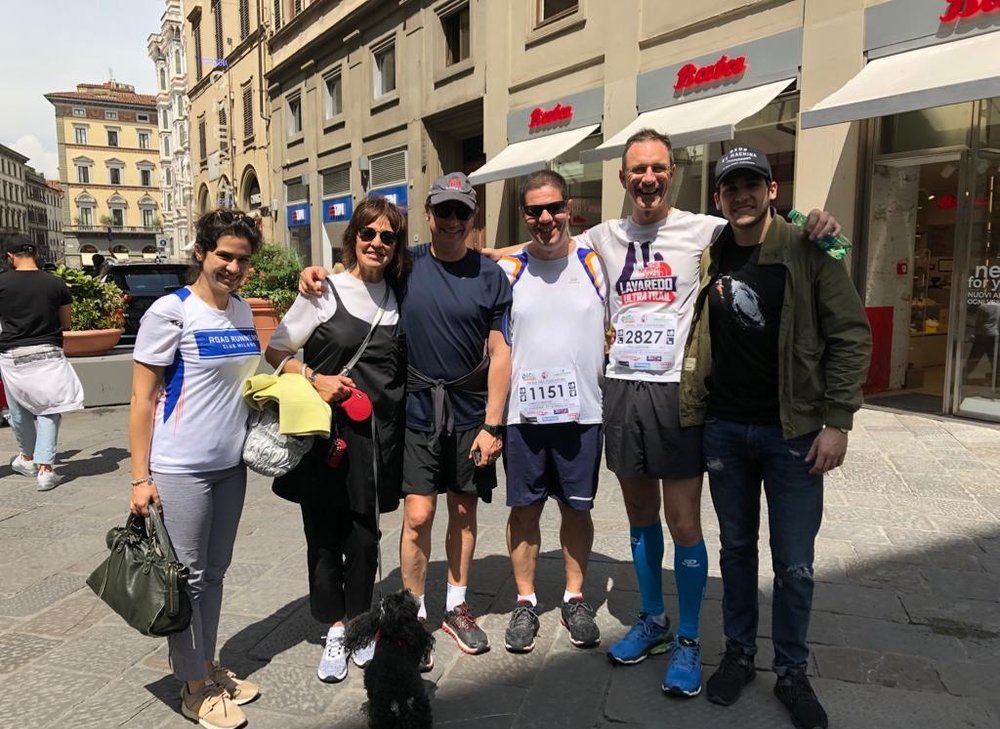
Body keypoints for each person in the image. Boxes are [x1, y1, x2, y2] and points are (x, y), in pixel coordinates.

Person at [486, 129, 840, 697]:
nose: (647, 179)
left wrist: (815, 219)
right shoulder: (600, 236)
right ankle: (653, 620)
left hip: (679, 394)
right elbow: (520, 252)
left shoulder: (706, 227)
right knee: (639, 517)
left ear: (671, 172)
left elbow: (764, 224)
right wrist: (448, 254)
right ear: (623, 179)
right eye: (636, 170)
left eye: (656, 168)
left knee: (683, 523)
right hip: (621, 393)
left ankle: (691, 639)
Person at [679, 147, 871, 729]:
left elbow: (852, 336)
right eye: (730, 186)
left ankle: (791, 671)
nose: (741, 194)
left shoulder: (810, 248)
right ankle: (739, 654)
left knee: (795, 564)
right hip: (726, 431)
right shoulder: (709, 255)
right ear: (718, 197)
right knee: (736, 551)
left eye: (751, 184)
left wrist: (837, 420)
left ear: (770, 189)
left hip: (794, 435)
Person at [299, 174, 512, 661]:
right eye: (445, 211)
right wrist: (317, 274)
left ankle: (456, 606)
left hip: (470, 412)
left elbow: (500, 352)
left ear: (472, 217)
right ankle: (413, 613)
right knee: (418, 516)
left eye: (463, 212)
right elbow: (359, 271)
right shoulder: (406, 262)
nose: (453, 220)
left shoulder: (489, 274)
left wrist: (493, 424)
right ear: (430, 215)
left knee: (463, 509)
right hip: (415, 409)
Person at [128, 209, 263, 729]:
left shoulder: (244, 312)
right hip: (180, 467)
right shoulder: (171, 311)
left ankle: (206, 664)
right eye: (224, 255)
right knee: (184, 580)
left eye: (242, 259)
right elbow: (141, 398)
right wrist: (141, 479)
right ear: (202, 253)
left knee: (215, 573)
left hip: (230, 466)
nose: (232, 266)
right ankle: (191, 686)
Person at [264, 196, 409, 684]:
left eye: (388, 236)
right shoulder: (324, 291)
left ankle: (363, 625)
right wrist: (312, 376)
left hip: (378, 440)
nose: (377, 243)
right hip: (328, 439)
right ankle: (336, 626)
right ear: (353, 237)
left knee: (366, 538)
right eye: (368, 233)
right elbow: (275, 349)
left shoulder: (398, 294)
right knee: (324, 537)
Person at [497, 170, 607, 653]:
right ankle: (525, 601)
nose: (546, 219)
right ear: (525, 216)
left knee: (576, 510)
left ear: (569, 207)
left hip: (583, 415)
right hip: (524, 418)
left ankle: (575, 596)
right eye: (534, 211)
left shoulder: (597, 262)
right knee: (524, 510)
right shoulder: (507, 269)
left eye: (554, 208)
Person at [0, 234, 84, 490]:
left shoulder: (2, 283)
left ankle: (27, 458)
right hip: (48, 351)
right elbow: (66, 322)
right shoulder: (55, 283)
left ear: (10, 257)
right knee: (49, 408)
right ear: (35, 254)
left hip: (13, 354)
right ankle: (45, 469)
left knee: (18, 409)